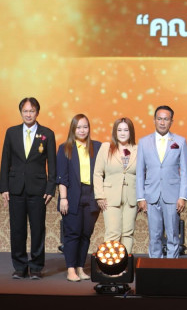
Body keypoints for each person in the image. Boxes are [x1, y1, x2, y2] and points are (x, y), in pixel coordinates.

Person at [0, 97, 56, 279]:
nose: (28, 114)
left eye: (32, 111)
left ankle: (36, 267)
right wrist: (4, 188)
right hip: (15, 188)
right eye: (25, 111)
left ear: (37, 112)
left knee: (38, 229)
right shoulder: (11, 132)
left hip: (38, 189)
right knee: (17, 229)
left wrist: (50, 188)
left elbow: (52, 164)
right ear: (21, 112)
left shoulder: (47, 134)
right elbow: (5, 161)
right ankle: (20, 266)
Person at [136, 105, 187, 258]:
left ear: (171, 121)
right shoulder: (143, 142)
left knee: (173, 235)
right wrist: (140, 197)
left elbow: (185, 171)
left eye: (166, 119)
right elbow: (140, 172)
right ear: (154, 120)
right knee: (154, 236)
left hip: (172, 195)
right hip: (151, 195)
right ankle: (155, 266)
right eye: (159, 119)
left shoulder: (180, 141)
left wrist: (182, 196)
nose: (162, 122)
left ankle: (171, 267)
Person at [56, 114, 102, 282]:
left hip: (91, 195)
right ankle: (71, 269)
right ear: (73, 129)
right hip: (72, 194)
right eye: (79, 127)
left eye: (85, 127)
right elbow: (62, 176)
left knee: (85, 234)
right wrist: (63, 198)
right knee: (72, 233)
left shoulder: (97, 147)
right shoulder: (65, 148)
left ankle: (80, 268)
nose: (82, 130)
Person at [93, 118, 139, 254]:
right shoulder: (106, 148)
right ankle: (111, 264)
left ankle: (124, 264)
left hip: (131, 197)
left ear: (131, 132)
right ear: (115, 132)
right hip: (110, 197)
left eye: (126, 130)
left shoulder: (138, 150)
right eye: (119, 130)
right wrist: (99, 196)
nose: (122, 133)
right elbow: (97, 173)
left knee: (128, 233)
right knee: (113, 232)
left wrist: (142, 198)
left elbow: (143, 174)